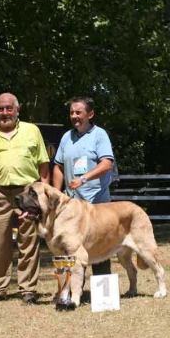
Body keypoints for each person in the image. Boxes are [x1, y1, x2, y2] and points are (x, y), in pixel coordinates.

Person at [0, 93, 50, 305]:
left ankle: (28, 290)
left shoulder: (32, 131)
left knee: (29, 242)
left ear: (17, 109)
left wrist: (44, 196)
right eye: (0, 109)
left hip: (28, 192)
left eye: (9, 108)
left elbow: (43, 164)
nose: (5, 113)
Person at [52, 97, 115, 277]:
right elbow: (58, 166)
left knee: (100, 247)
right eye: (72, 112)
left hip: (98, 205)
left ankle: (102, 291)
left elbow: (106, 164)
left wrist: (83, 179)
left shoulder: (99, 134)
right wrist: (57, 193)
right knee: (70, 247)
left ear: (90, 114)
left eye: (78, 112)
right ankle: (70, 290)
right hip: (72, 207)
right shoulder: (66, 137)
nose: (74, 116)